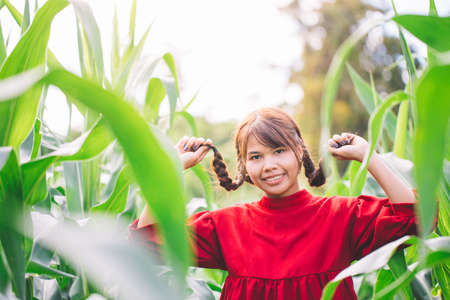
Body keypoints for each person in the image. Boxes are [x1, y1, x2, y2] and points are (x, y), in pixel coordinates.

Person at [129, 107, 418, 300]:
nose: (269, 165)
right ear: (244, 167)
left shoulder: (340, 216)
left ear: (299, 152)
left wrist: (368, 156)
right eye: (256, 157)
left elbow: (415, 219)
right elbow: (148, 241)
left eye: (279, 151)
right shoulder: (227, 226)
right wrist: (171, 169)